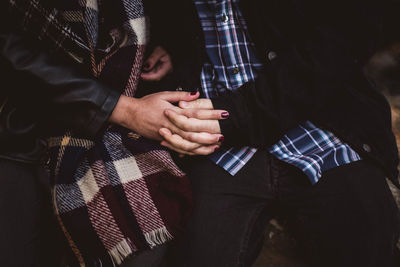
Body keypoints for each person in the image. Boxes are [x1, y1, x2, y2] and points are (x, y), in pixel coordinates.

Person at [141, 0, 400, 266]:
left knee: (365, 239)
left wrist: (240, 115)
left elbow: (352, 29)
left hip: (320, 126)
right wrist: (175, 45)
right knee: (196, 253)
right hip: (218, 144)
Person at [0, 0, 223, 266]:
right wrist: (126, 111)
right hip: (19, 135)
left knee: (143, 242)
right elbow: (9, 50)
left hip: (111, 124)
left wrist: (163, 44)